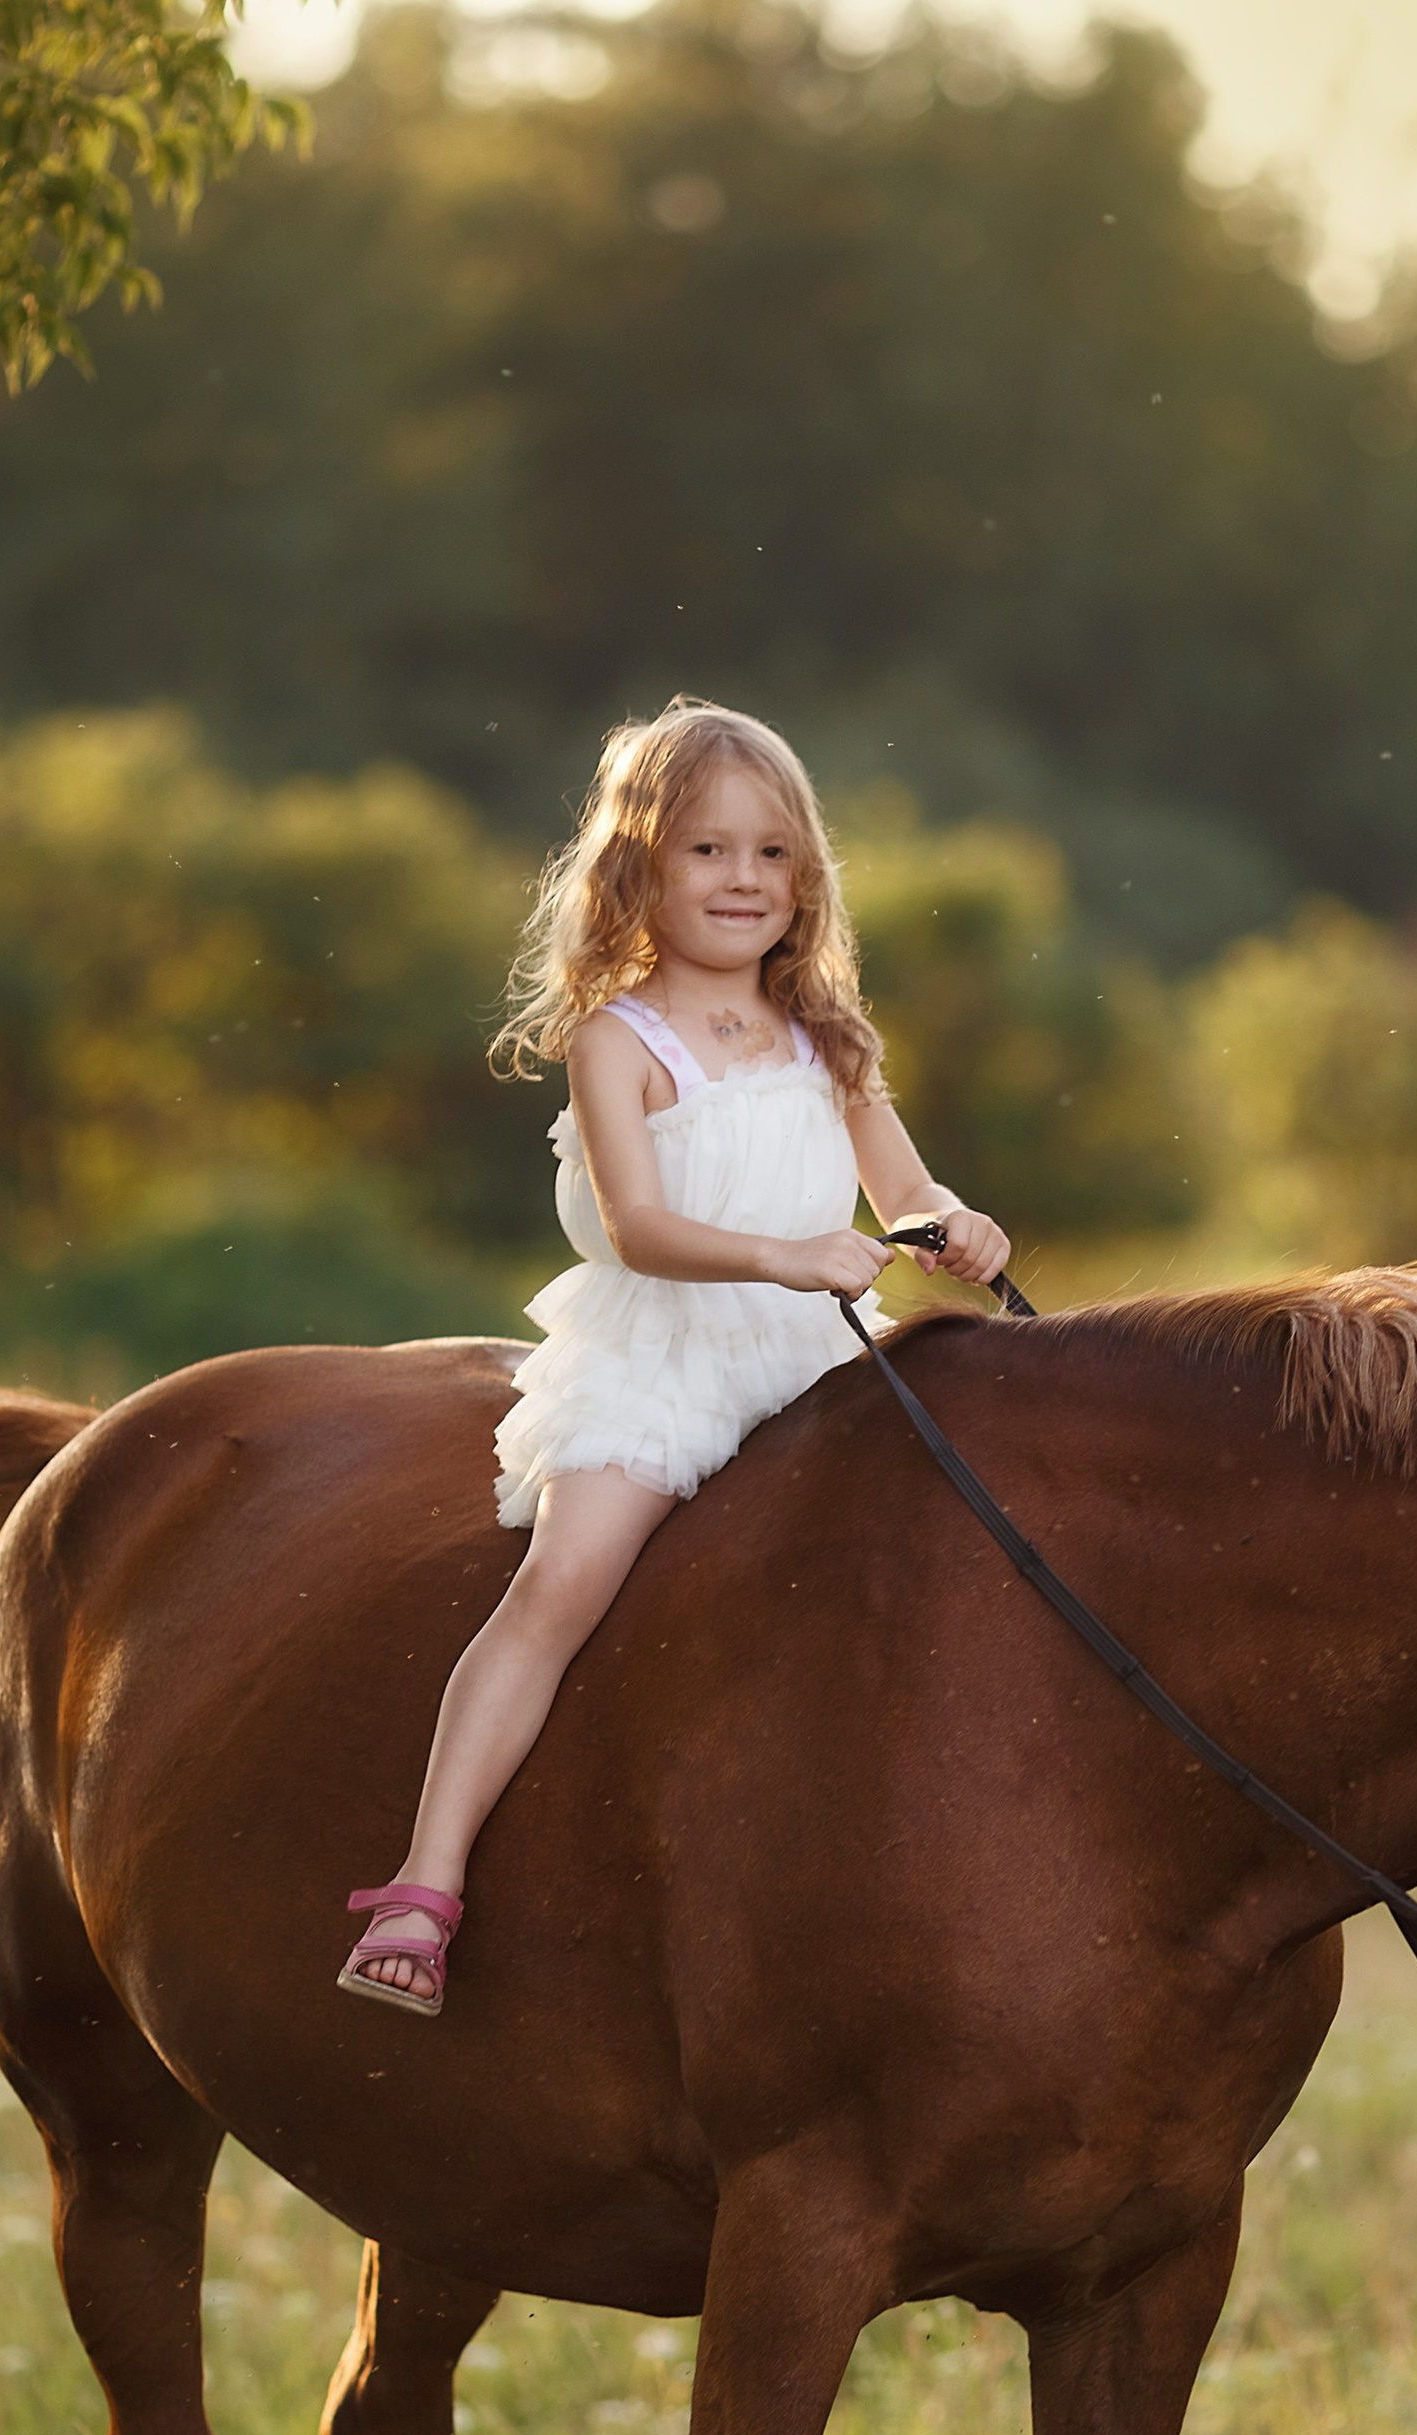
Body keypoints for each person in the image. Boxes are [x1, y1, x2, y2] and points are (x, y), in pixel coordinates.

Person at [339, 698, 1012, 2016]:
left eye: (771, 855)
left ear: (805, 878)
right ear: (640, 865)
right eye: (708, 851)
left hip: (814, 1355)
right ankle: (424, 1885)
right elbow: (641, 1228)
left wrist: (958, 1231)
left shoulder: (832, 1039)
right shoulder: (618, 1039)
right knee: (563, 1584)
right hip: (670, 1357)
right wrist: (788, 1256)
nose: (743, 881)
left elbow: (906, 1201)